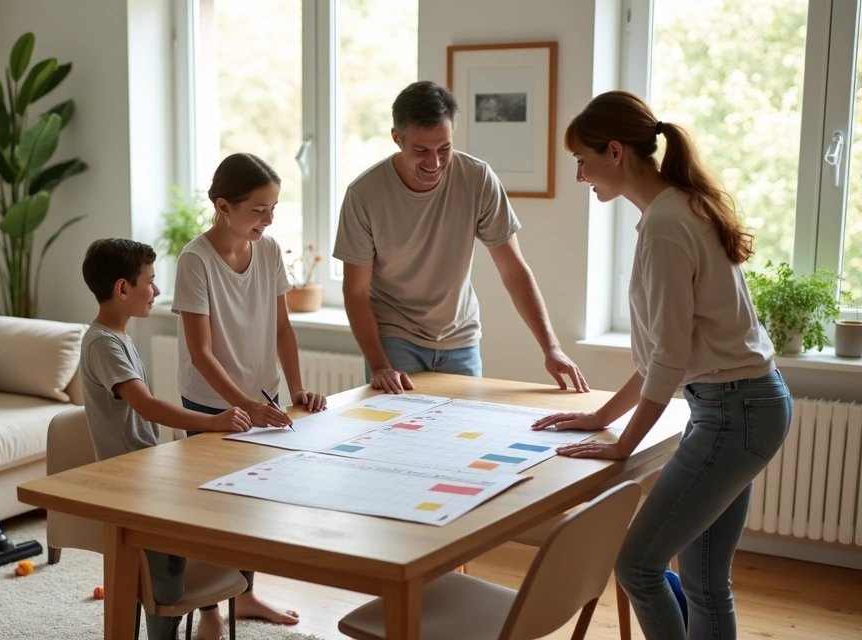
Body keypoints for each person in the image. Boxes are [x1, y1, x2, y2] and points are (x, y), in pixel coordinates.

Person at [532, 90, 793, 639]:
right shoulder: (677, 207)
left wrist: (623, 443)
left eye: (582, 160)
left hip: (734, 410)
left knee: (637, 565)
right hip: (745, 404)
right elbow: (662, 354)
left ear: (614, 152)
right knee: (701, 578)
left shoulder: (666, 223)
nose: (580, 176)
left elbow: (669, 358)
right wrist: (600, 416)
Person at [333, 80, 588, 394]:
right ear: (397, 138)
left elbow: (513, 270)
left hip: (460, 338)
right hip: (394, 338)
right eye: (421, 151)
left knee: (465, 435)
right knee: (399, 437)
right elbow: (355, 291)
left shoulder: (477, 178)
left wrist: (551, 348)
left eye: (444, 148)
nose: (435, 162)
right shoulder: (364, 194)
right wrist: (380, 365)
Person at [173, 153, 327, 639]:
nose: (270, 218)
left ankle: (246, 594)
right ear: (224, 206)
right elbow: (201, 353)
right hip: (211, 404)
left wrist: (296, 387)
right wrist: (243, 404)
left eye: (274, 207)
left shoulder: (269, 248)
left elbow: (282, 327)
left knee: (253, 505)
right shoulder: (194, 261)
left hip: (263, 396)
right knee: (214, 512)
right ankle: (211, 613)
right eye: (259, 209)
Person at [79, 238, 252, 640]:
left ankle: (206, 614)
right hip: (128, 479)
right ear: (123, 289)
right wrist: (213, 422)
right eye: (151, 282)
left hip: (144, 467)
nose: (157, 291)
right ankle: (169, 622)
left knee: (214, 507)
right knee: (168, 569)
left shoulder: (118, 337)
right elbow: (147, 406)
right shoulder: (104, 343)